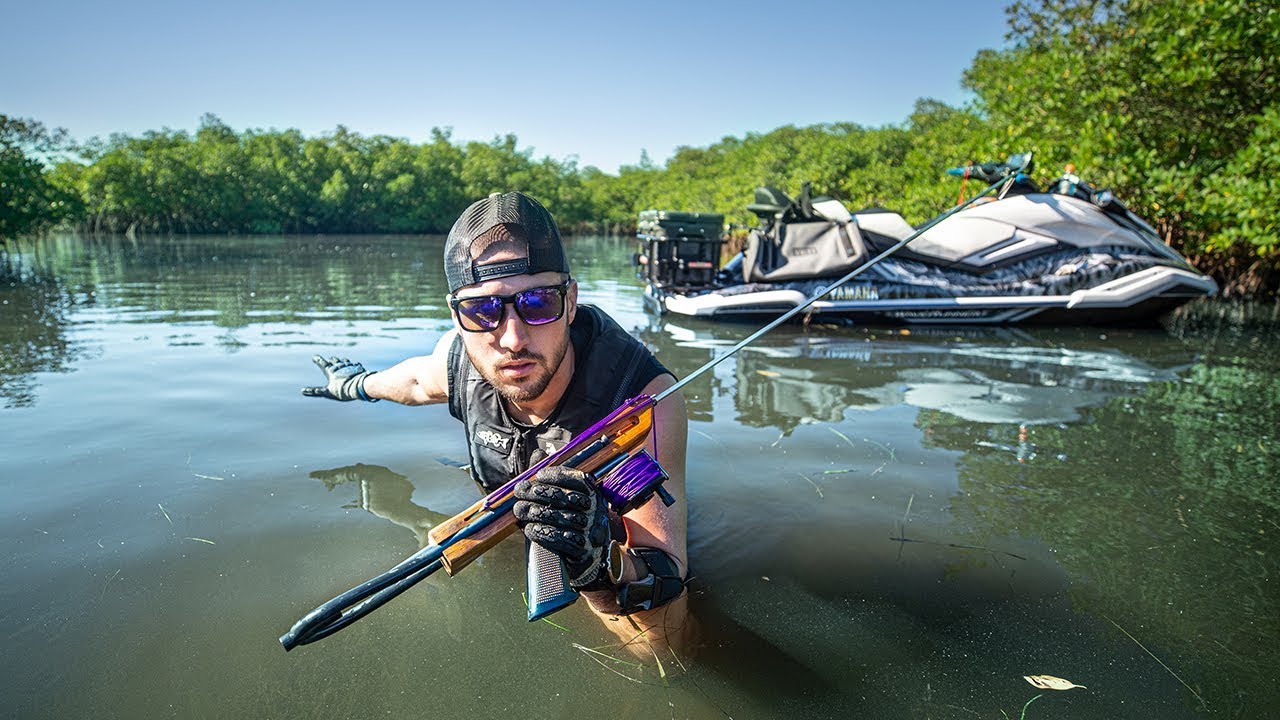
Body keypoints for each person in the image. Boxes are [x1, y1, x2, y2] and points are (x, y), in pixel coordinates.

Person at [302, 191, 691, 655]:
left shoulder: (642, 403)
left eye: (538, 302)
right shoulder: (460, 356)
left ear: (570, 302)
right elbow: (410, 382)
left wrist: (598, 566)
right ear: (457, 316)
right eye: (482, 310)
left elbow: (663, 630)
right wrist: (352, 384)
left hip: (597, 545)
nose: (511, 338)